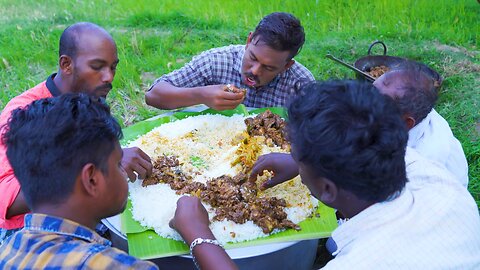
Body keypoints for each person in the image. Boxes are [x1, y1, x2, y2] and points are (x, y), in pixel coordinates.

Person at [169, 80, 480, 269]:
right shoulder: (442, 182)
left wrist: (199, 234)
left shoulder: (362, 264)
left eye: (301, 162)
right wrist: (300, 160)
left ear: (328, 190)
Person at [0, 94, 236, 270]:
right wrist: (198, 232)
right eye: (117, 164)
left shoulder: (8, 252)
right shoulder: (116, 266)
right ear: (91, 179)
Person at [0, 22, 152, 243]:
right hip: (35, 238)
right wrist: (103, 163)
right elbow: (5, 197)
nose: (109, 76)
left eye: (113, 67)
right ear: (66, 64)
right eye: (97, 66)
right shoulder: (22, 114)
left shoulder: (89, 97)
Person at [250, 65, 469, 189]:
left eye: (373, 100)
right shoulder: (406, 111)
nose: (362, 102)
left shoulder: (423, 160)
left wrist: (306, 165)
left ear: (404, 122)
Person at [145, 12, 315, 111]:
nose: (255, 71)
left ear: (286, 66)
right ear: (249, 41)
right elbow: (153, 95)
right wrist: (201, 95)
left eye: (269, 68)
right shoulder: (216, 62)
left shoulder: (300, 84)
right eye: (253, 58)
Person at [372, 66, 469, 186]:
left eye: (374, 102)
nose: (364, 98)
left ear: (406, 122)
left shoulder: (420, 161)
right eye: (371, 88)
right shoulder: (413, 109)